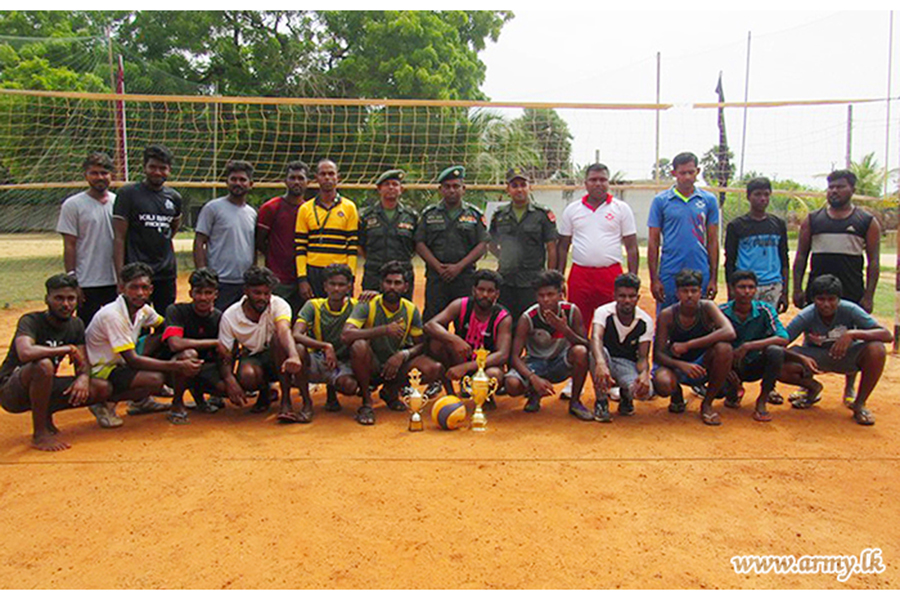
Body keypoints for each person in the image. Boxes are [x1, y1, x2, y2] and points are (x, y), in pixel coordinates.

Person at [792, 169, 881, 405]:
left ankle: (849, 388)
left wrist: (869, 295)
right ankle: (808, 385)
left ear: (852, 189)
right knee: (811, 335)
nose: (834, 191)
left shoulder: (866, 222)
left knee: (850, 337)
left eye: (840, 186)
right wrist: (797, 288)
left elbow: (874, 262)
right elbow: (801, 256)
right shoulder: (814, 219)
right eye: (831, 187)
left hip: (850, 290)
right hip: (818, 289)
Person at [0, 274, 111, 451]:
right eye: (59, 298)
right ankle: (40, 434)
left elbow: (82, 362)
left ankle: (46, 414)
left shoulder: (76, 324)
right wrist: (65, 349)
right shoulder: (31, 321)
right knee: (43, 365)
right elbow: (25, 352)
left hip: (43, 384)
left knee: (100, 388)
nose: (65, 304)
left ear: (78, 300)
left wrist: (83, 377)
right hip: (12, 390)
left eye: (70, 298)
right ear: (47, 299)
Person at [85, 262, 203, 428]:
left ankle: (140, 402)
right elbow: (132, 360)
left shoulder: (143, 310)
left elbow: (165, 326)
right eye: (134, 287)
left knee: (164, 336)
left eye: (144, 288)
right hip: (102, 369)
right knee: (155, 380)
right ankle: (104, 403)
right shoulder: (112, 315)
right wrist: (177, 365)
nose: (140, 293)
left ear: (151, 290)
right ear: (121, 288)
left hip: (120, 362)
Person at [341, 261, 443, 426]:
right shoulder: (368, 304)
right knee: (358, 345)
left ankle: (391, 392)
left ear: (406, 286)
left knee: (433, 368)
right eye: (388, 282)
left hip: (394, 365)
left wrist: (403, 355)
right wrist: (383, 330)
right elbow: (346, 335)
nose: (392, 287)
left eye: (397, 283)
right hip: (370, 363)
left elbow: (421, 345)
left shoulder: (410, 309)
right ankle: (367, 403)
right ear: (381, 284)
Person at [782, 274, 892, 426]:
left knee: (877, 349)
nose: (826, 304)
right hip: (815, 358)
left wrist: (853, 334)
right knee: (779, 362)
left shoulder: (851, 310)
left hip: (847, 357)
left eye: (831, 299)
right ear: (813, 300)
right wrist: (801, 359)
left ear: (839, 299)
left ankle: (859, 404)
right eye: (821, 299)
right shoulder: (806, 315)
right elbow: (781, 342)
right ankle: (813, 388)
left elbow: (886, 335)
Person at [217, 266, 304, 423]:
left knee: (278, 339)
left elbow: (284, 330)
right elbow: (225, 352)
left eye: (266, 293)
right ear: (246, 291)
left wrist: (294, 356)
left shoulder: (279, 305)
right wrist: (230, 379)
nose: (262, 298)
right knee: (247, 376)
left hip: (277, 356)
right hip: (252, 356)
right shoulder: (230, 316)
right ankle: (265, 392)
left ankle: (286, 401)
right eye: (257, 293)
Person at [504, 270, 594, 421]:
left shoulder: (571, 311)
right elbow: (514, 356)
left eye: (551, 294)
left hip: (561, 363)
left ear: (560, 294)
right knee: (511, 384)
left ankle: (575, 402)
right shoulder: (528, 318)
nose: (546, 299)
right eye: (541, 295)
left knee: (580, 352)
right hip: (536, 364)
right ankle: (534, 393)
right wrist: (533, 378)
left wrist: (565, 330)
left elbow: (586, 345)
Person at [557, 163, 639, 329]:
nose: (598, 183)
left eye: (602, 179)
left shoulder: (621, 208)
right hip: (580, 274)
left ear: (608, 183)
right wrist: (559, 278)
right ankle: (580, 354)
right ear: (585, 183)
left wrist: (632, 279)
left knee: (610, 323)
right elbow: (563, 247)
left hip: (610, 273)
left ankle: (607, 355)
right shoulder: (572, 210)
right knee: (578, 322)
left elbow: (631, 247)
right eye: (593, 180)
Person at [652, 269, 736, 426]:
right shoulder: (667, 315)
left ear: (700, 292)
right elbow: (658, 355)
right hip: (677, 364)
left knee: (725, 349)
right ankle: (676, 393)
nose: (689, 295)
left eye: (694, 291)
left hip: (703, 363)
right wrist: (682, 365)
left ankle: (707, 404)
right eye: (684, 291)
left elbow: (729, 332)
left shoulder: (708, 308)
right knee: (663, 383)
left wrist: (688, 345)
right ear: (677, 293)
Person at [113, 144, 183, 315]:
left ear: (169, 170)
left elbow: (171, 230)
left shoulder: (174, 197)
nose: (157, 172)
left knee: (164, 320)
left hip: (165, 273)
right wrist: (121, 276)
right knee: (138, 321)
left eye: (162, 168)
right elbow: (119, 238)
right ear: (144, 167)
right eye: (153, 167)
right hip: (137, 272)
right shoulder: (127, 194)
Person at [424, 269, 512, 403]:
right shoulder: (461, 305)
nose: (484, 295)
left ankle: (485, 399)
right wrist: (454, 340)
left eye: (490, 291)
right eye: (481, 289)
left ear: (497, 294)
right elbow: (430, 325)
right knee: (437, 342)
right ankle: (451, 395)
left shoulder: (502, 317)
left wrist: (466, 367)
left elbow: (502, 355)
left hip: (486, 366)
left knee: (494, 375)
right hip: (460, 356)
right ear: (473, 290)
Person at [648, 152, 720, 310]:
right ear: (674, 173)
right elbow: (653, 242)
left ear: (698, 172)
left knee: (700, 319)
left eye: (691, 172)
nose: (687, 177)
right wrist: (654, 279)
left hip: (700, 270)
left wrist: (713, 278)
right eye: (682, 173)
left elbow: (713, 240)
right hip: (670, 271)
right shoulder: (661, 201)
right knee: (666, 318)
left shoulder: (708, 200)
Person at [415, 166, 489, 321]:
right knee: (433, 322)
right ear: (440, 189)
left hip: (465, 278)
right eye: (447, 187)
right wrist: (438, 267)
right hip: (436, 278)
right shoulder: (429, 214)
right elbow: (419, 243)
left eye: (456, 186)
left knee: (465, 322)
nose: (452, 190)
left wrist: (459, 267)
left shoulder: (474, 215)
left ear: (464, 189)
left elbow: (482, 244)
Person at [56, 152, 118, 327]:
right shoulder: (73, 204)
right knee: (87, 329)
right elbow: (69, 245)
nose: (100, 177)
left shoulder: (119, 201)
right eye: (95, 173)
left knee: (115, 329)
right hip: (87, 280)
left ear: (111, 175)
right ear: (86, 175)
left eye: (104, 173)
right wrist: (73, 280)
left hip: (115, 279)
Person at [718, 270, 789, 422]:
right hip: (731, 365)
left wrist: (749, 346)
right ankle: (732, 391)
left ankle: (762, 400)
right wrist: (725, 368)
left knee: (775, 351)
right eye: (741, 287)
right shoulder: (721, 312)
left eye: (751, 287)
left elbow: (783, 338)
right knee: (719, 391)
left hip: (756, 363)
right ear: (731, 288)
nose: (747, 292)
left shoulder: (765, 310)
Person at [158, 268, 227, 424]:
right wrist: (214, 342)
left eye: (208, 293)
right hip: (173, 367)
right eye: (198, 292)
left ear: (216, 294)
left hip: (204, 367)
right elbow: (175, 344)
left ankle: (200, 399)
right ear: (191, 293)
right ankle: (176, 403)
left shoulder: (219, 317)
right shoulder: (176, 310)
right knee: (189, 355)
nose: (203, 298)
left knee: (225, 390)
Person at [488, 168, 558, 320]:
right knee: (506, 321)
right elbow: (491, 244)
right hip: (506, 279)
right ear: (508, 189)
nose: (519, 189)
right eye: (514, 185)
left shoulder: (542, 214)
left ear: (529, 187)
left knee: (532, 323)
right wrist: (505, 257)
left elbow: (551, 248)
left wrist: (549, 278)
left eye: (523, 184)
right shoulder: (500, 215)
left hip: (532, 281)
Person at [292, 264, 360, 422]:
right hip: (317, 358)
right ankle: (306, 403)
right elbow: (295, 333)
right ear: (325, 286)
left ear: (349, 286)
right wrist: (325, 346)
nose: (336, 288)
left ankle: (334, 393)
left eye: (341, 284)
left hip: (343, 361)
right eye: (332, 284)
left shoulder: (356, 306)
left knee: (349, 387)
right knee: (299, 349)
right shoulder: (313, 306)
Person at [194, 160, 258, 311]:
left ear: (250, 184)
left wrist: (252, 275)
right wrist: (203, 274)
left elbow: (252, 246)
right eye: (233, 179)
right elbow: (199, 241)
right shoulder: (212, 208)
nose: (238, 183)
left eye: (242, 179)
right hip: (219, 281)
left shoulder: (252, 213)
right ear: (226, 182)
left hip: (243, 282)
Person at [590, 273, 654, 421]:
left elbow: (643, 357)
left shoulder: (645, 321)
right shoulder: (603, 312)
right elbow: (596, 338)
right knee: (595, 351)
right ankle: (601, 402)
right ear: (614, 296)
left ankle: (626, 396)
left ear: (637, 298)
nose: (627, 300)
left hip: (627, 364)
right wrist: (600, 363)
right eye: (622, 296)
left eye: (631, 296)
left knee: (645, 392)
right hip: (605, 359)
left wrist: (644, 373)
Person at [295, 159, 359, 300]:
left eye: (331, 173)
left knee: (340, 314)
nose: (327, 178)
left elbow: (352, 247)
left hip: (340, 271)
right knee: (314, 313)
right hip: (314, 270)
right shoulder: (305, 209)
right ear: (316, 178)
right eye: (323, 174)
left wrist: (351, 278)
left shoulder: (349, 207)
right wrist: (302, 279)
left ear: (338, 177)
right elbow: (300, 247)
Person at [724, 177, 789, 312]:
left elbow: (784, 259)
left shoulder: (778, 224)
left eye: (766, 194)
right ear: (748, 197)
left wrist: (785, 291)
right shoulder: (736, 226)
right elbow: (729, 261)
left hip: (772, 284)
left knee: (767, 325)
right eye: (758, 194)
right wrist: (731, 289)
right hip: (745, 285)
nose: (763, 198)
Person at [257, 160, 311, 318]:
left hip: (304, 278)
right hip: (278, 278)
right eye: (292, 178)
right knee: (276, 320)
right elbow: (260, 240)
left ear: (308, 182)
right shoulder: (271, 207)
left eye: (301, 178)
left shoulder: (310, 209)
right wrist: (275, 257)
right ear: (285, 181)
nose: (296, 182)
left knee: (301, 321)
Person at [359, 169, 419, 299]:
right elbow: (360, 244)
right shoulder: (366, 216)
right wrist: (375, 260)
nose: (391, 187)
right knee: (370, 313)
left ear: (401, 189)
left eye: (395, 184)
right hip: (374, 273)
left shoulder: (411, 216)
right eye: (386, 184)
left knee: (402, 313)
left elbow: (416, 245)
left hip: (402, 275)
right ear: (379, 189)